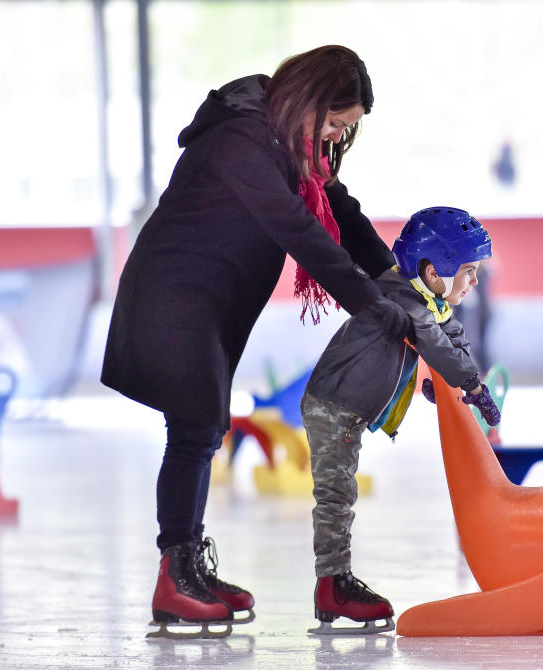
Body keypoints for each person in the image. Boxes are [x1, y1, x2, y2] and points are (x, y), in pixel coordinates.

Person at [100, 45, 411, 638]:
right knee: (195, 429)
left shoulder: (288, 146)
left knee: (203, 430)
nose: (335, 137)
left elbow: (339, 212)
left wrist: (395, 282)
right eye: (335, 122)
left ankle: (186, 568)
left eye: (345, 129)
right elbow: (295, 227)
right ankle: (176, 578)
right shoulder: (243, 137)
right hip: (173, 295)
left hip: (208, 302)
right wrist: (370, 305)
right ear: (310, 99)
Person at [301, 206, 501, 634]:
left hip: (349, 406)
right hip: (333, 406)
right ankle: (332, 585)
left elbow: (452, 337)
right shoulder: (404, 299)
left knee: (341, 493)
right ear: (433, 271)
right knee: (337, 496)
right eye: (468, 271)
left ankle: (333, 580)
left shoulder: (425, 301)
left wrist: (457, 380)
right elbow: (436, 345)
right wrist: (473, 386)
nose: (475, 282)